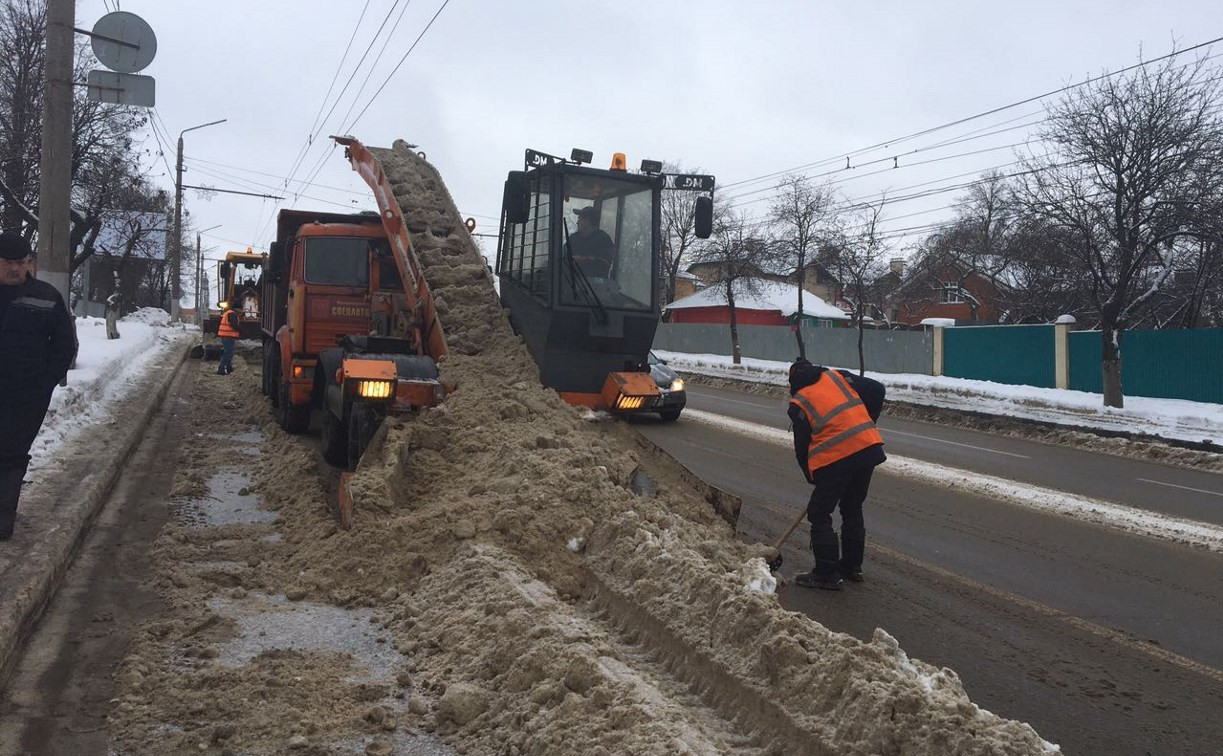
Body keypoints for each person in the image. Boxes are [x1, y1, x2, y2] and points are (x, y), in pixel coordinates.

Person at [0, 232, 78, 540]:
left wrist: (44, 383)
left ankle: (3, 522)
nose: (17, 268)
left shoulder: (46, 297)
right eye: (9, 262)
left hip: (26, 394)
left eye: (22, 262)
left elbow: (64, 345)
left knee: (12, 454)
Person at [787, 358, 886, 590]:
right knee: (852, 507)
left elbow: (802, 448)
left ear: (792, 381)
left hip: (839, 456)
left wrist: (811, 475)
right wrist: (867, 422)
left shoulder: (798, 402)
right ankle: (852, 567)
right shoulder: (836, 376)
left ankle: (826, 574)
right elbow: (877, 389)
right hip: (868, 448)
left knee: (819, 512)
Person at [566, 206, 616, 278]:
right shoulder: (573, 238)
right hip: (571, 283)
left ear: (588, 220)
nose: (577, 223)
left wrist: (582, 260)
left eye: (580, 219)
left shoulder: (604, 239)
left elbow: (605, 263)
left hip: (594, 286)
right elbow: (563, 258)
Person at [216, 299, 240, 376]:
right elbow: (233, 325)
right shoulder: (232, 314)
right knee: (228, 353)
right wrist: (241, 329)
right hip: (228, 336)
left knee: (229, 352)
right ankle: (221, 369)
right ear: (237, 308)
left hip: (226, 336)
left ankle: (229, 368)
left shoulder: (228, 313)